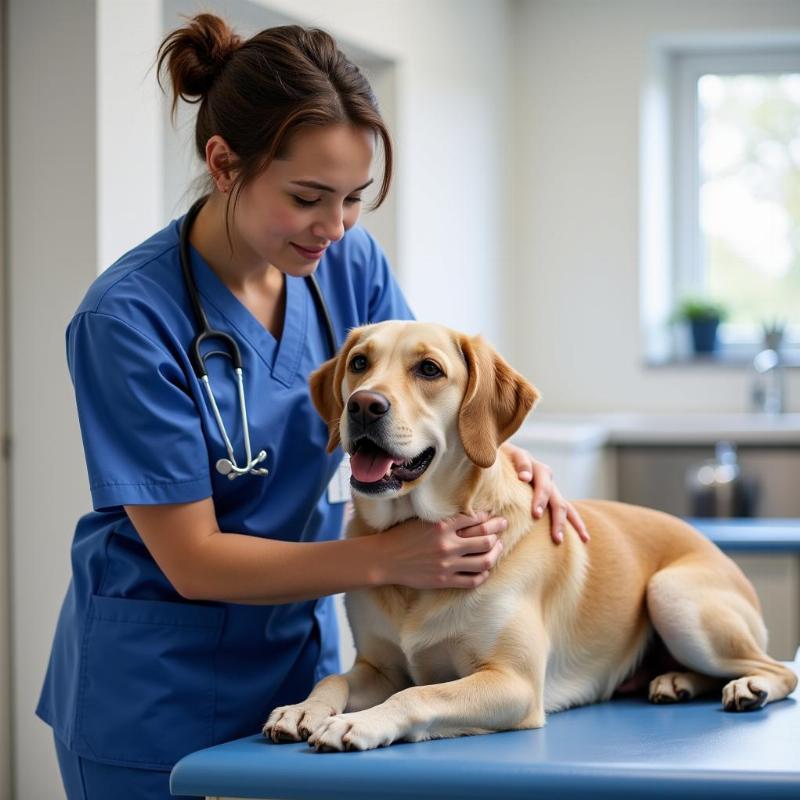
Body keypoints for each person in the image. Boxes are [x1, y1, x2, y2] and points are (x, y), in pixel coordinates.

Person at [35, 13, 589, 800]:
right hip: (152, 690)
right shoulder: (126, 319)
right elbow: (192, 560)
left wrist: (506, 456)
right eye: (307, 198)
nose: (334, 228)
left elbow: (420, 406)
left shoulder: (345, 262)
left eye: (354, 199)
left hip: (301, 674)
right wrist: (383, 559)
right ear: (224, 164)